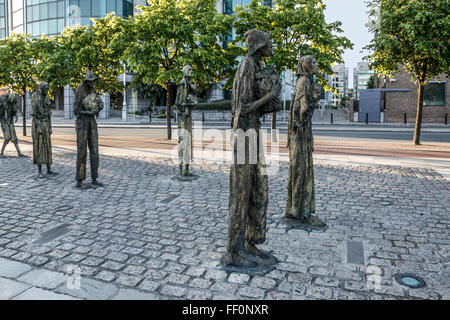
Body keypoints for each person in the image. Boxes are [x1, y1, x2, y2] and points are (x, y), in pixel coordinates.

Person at [222, 29, 281, 268]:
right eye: (268, 43)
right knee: (241, 192)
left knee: (259, 189)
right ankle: (233, 250)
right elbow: (242, 108)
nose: (271, 47)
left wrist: (271, 98)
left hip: (253, 133)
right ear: (259, 46)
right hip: (244, 135)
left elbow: (255, 107)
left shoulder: (256, 68)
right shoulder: (247, 65)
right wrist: (269, 97)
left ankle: (250, 241)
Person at [286, 55, 326, 229]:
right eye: (314, 62)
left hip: (300, 133)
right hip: (300, 134)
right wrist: (316, 97)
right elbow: (302, 111)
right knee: (301, 170)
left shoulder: (304, 81)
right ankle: (299, 211)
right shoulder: (304, 82)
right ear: (307, 66)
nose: (317, 65)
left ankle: (299, 209)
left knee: (301, 170)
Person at [73, 71, 104, 188]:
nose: (93, 83)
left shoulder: (93, 90)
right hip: (82, 122)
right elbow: (76, 110)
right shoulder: (79, 89)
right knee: (81, 151)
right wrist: (88, 112)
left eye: (94, 81)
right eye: (92, 81)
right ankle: (79, 179)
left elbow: (96, 103)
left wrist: (97, 109)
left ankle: (94, 178)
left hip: (92, 121)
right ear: (87, 80)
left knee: (95, 150)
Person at [174, 65, 197, 179]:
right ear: (184, 71)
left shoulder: (189, 84)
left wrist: (193, 91)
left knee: (188, 142)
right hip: (183, 116)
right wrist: (188, 104)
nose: (191, 71)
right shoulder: (182, 84)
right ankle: (179, 172)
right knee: (182, 142)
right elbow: (178, 102)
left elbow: (191, 98)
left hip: (188, 115)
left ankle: (187, 170)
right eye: (189, 69)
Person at [31, 82, 57, 178]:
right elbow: (33, 114)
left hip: (46, 123)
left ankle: (49, 168)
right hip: (38, 123)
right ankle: (39, 170)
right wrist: (38, 128)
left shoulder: (47, 97)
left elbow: (49, 114)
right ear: (41, 88)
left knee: (48, 146)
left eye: (48, 88)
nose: (47, 90)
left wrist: (50, 127)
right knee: (39, 146)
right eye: (45, 88)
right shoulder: (35, 97)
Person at [0, 93, 25, 158]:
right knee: (8, 137)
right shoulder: (3, 99)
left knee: (14, 138)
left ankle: (19, 153)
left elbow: (14, 111)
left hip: (10, 121)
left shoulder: (12, 103)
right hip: (4, 121)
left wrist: (16, 116)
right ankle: (1, 152)